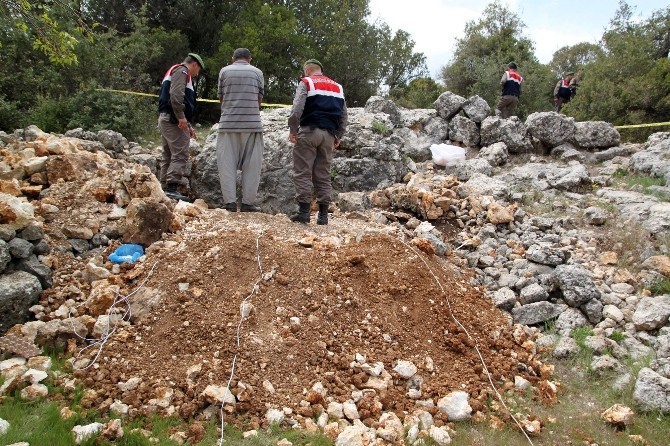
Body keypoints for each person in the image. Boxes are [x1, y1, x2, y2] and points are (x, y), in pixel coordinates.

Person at [288, 59, 348, 225]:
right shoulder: (337, 87)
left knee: (302, 171)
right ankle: (323, 216)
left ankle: (304, 212)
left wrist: (293, 129)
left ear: (307, 71)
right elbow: (344, 116)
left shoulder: (306, 82)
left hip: (309, 132)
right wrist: (338, 135)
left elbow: (297, 108)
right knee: (323, 174)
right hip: (329, 135)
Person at [216, 48, 265, 212]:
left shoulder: (224, 71)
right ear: (249, 59)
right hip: (252, 124)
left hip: (228, 124)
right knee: (252, 165)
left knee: (226, 164)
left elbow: (221, 98)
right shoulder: (258, 73)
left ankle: (229, 203)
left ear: (233, 59)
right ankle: (247, 203)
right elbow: (259, 100)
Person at [158, 53, 204, 202]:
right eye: (198, 70)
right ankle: (171, 188)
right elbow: (176, 96)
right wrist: (181, 117)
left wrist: (188, 124)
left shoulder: (174, 70)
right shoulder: (182, 71)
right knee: (180, 154)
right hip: (173, 119)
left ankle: (164, 187)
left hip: (167, 117)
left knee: (168, 154)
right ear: (195, 65)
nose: (197, 74)